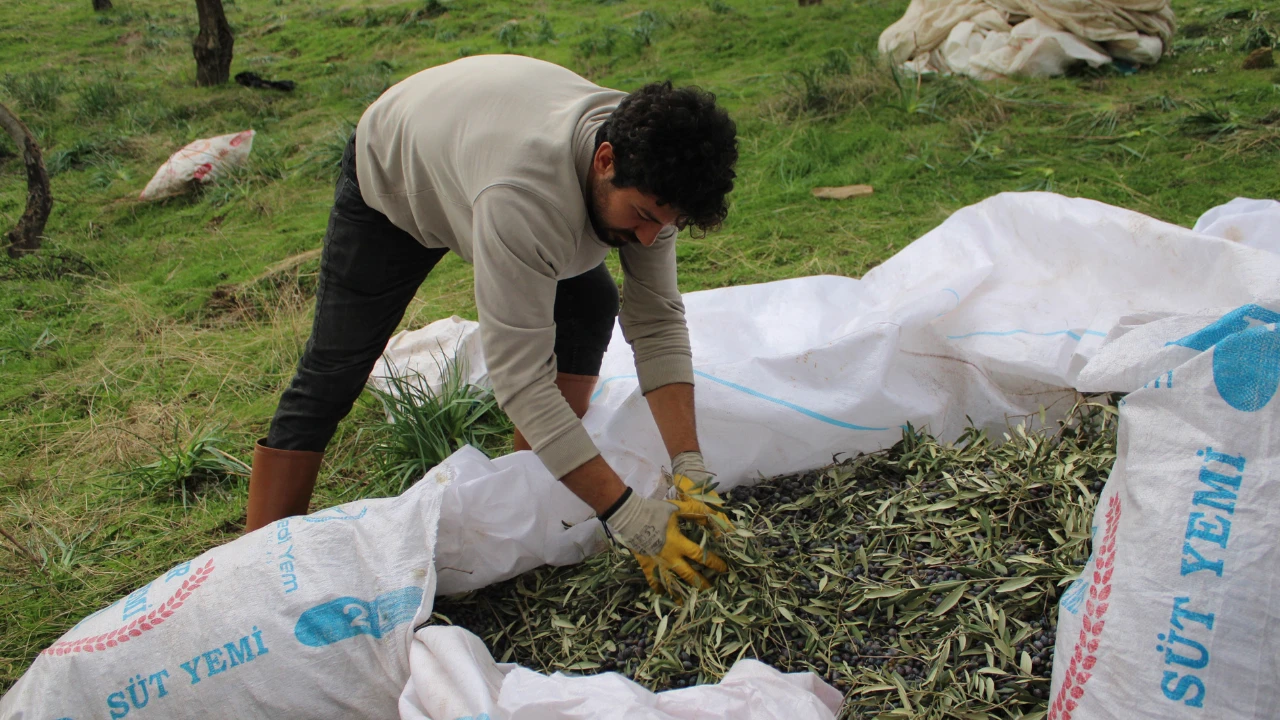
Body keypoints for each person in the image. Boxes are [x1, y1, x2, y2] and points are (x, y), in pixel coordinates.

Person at [245, 55, 738, 593]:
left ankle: (533, 483)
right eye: (643, 216)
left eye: (666, 225)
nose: (649, 237)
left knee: (588, 304)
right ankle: (261, 570)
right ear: (604, 161)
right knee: (334, 369)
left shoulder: (655, 168)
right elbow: (521, 381)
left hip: (481, 146)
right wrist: (626, 514)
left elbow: (658, 321)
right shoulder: (525, 196)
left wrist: (690, 465)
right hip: (398, 171)